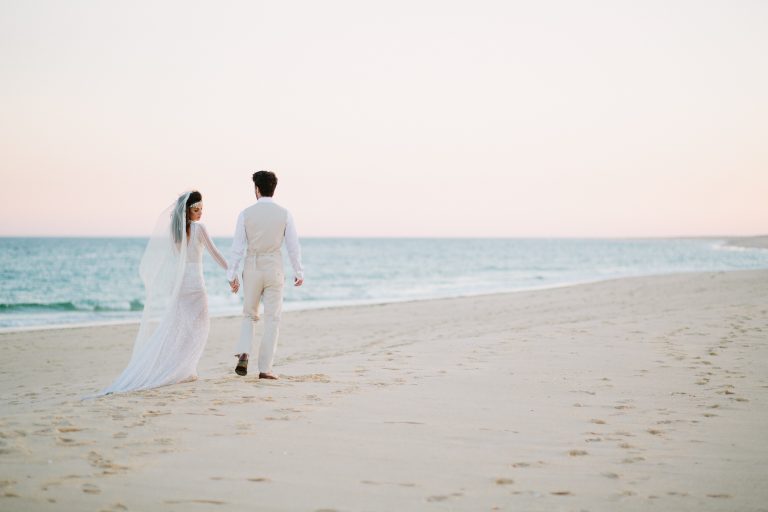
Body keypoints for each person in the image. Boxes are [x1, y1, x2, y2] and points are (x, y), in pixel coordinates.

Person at [95, 191, 228, 395]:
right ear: (188, 211)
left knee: (180, 327)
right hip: (195, 284)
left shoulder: (176, 232)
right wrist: (231, 271)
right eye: (196, 210)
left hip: (181, 283)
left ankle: (185, 368)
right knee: (199, 326)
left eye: (202, 210)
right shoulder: (200, 229)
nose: (200, 213)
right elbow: (215, 253)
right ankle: (186, 369)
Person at [228, 171, 303, 379]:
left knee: (249, 314)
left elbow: (237, 247)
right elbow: (293, 246)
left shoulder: (245, 213)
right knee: (272, 318)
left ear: (257, 189)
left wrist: (231, 274)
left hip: (252, 266)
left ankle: (244, 352)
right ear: (273, 189)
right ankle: (265, 369)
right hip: (274, 267)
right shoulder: (285, 213)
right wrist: (298, 271)